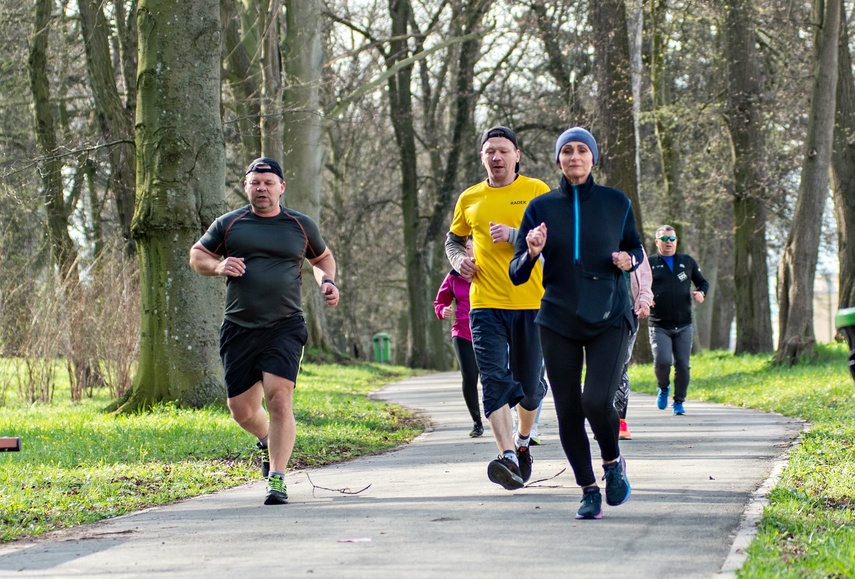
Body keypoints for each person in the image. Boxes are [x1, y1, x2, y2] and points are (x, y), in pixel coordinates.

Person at [189, 157, 340, 506]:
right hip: (239, 327)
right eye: (255, 183)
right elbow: (197, 255)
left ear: (281, 187)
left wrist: (328, 281)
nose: (262, 188)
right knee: (241, 410)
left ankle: (277, 478)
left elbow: (322, 259)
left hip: (285, 325)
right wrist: (218, 265)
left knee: (279, 397)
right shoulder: (229, 224)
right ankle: (267, 440)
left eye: (268, 183)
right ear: (246, 186)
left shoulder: (300, 225)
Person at [509, 127, 643, 520]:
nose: (574, 157)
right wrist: (532, 251)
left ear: (593, 158)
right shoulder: (540, 208)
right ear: (558, 161)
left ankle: (613, 464)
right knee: (568, 410)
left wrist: (628, 260)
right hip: (558, 317)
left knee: (597, 400)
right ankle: (588, 489)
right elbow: (517, 273)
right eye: (566, 151)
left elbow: (634, 245)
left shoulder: (617, 202)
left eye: (582, 150)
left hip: (610, 315)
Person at [445, 126, 550, 491]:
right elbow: (454, 239)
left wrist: (515, 235)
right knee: (492, 380)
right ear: (482, 157)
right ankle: (506, 456)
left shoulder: (537, 192)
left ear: (517, 155)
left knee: (530, 389)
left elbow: (556, 239)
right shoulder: (470, 197)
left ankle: (522, 443)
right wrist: (459, 261)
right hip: (484, 303)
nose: (497, 157)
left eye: (504, 151)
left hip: (531, 303)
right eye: (490, 151)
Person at [648, 225, 709, 415]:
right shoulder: (649, 263)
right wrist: (645, 297)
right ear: (657, 242)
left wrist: (701, 293)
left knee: (683, 364)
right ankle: (663, 387)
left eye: (672, 239)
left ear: (676, 241)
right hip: (659, 324)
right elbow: (639, 285)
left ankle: (679, 402)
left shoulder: (687, 261)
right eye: (664, 239)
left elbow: (702, 282)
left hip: (684, 324)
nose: (668, 243)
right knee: (663, 361)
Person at [434, 238, 483, 438]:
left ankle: (498, 416)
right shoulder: (453, 277)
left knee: (491, 378)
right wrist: (442, 310)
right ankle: (477, 422)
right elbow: (440, 301)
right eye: (462, 250)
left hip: (488, 332)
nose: (466, 253)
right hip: (462, 333)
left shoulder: (487, 272)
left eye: (469, 248)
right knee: (470, 377)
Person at [615, 249, 653, 440]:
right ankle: (602, 417)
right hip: (596, 313)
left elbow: (644, 276)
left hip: (628, 311)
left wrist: (644, 300)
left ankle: (620, 421)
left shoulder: (631, 243)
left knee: (621, 365)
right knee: (602, 367)